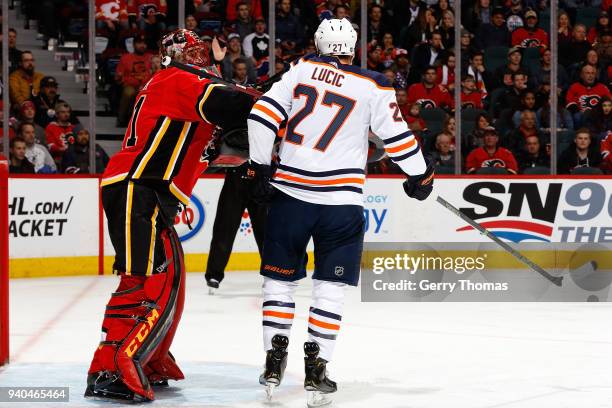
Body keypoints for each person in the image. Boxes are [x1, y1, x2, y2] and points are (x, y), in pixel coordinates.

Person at [246, 18, 433, 405]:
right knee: (329, 290)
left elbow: (261, 116)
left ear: (317, 43)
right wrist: (421, 175)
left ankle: (273, 358)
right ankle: (318, 367)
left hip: (291, 196)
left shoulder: (299, 70)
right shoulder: (374, 84)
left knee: (279, 283)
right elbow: (397, 138)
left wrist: (260, 167)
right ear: (352, 47)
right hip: (341, 204)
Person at [85, 29, 255, 403]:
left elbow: (213, 149)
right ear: (180, 57)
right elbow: (232, 103)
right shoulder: (178, 80)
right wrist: (269, 98)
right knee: (143, 282)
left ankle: (149, 355)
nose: (201, 59)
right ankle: (110, 366)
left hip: (150, 192)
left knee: (170, 277)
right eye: (194, 53)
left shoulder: (177, 87)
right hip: (137, 187)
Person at [204, 160, 267, 292]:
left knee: (266, 232)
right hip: (236, 173)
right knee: (225, 227)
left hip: (261, 177)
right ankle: (214, 275)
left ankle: (271, 274)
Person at [115, 33, 153, 126]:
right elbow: (118, 76)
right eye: (139, 43)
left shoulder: (151, 58)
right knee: (129, 92)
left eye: (144, 43)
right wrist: (122, 79)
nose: (142, 45)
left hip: (148, 87)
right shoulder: (126, 58)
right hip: (130, 85)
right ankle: (121, 119)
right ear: (134, 44)